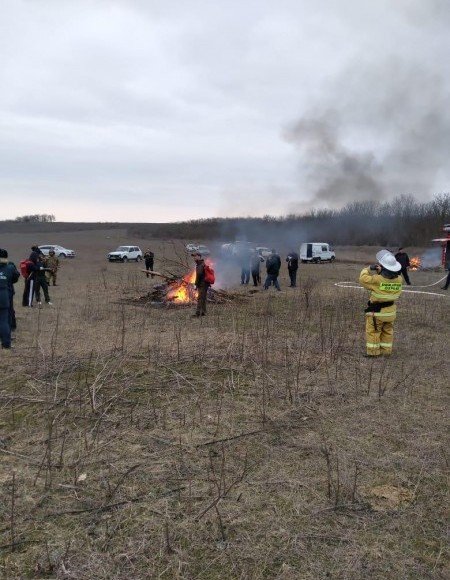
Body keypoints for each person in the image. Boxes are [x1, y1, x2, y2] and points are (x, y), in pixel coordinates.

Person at [359, 250, 403, 357]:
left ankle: (373, 353)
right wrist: (381, 271)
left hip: (377, 313)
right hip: (391, 312)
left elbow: (363, 279)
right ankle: (386, 351)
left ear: (383, 267)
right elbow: (387, 280)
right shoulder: (399, 280)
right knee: (387, 331)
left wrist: (369, 268)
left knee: (373, 331)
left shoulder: (377, 280)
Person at [0, 249, 19, 349]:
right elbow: (15, 278)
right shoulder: (10, 267)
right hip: (4, 295)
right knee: (3, 320)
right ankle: (6, 344)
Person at [192, 252, 209, 317]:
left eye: (195, 256)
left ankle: (198, 313)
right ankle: (204, 312)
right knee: (203, 298)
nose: (194, 258)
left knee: (200, 298)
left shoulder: (200, 265)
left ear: (199, 257)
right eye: (193, 256)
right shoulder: (200, 264)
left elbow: (199, 275)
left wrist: (196, 284)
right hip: (204, 284)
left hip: (202, 284)